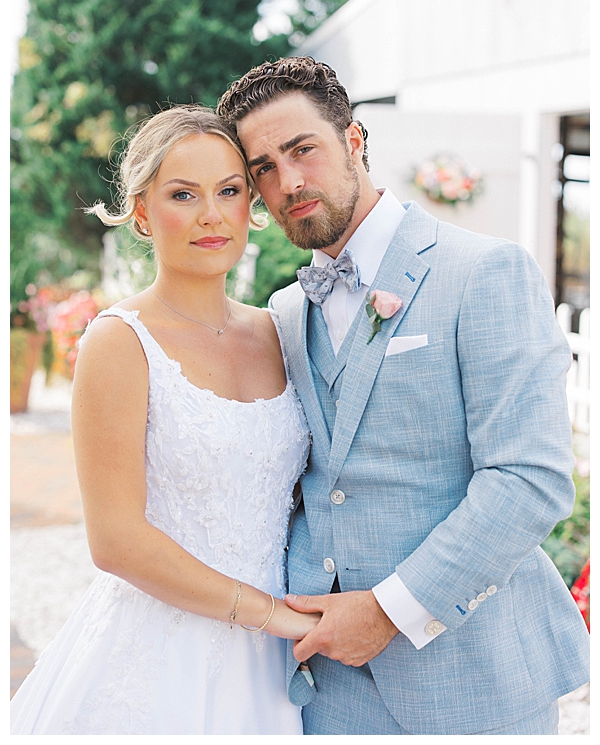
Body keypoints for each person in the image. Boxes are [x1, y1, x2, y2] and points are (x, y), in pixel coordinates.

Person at [216, 57, 590, 736]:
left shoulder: (484, 272)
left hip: (470, 676)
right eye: (263, 167)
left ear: (354, 142)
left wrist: (389, 610)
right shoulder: (284, 312)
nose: (289, 182)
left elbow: (529, 481)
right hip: (320, 685)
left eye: (304, 149)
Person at [10, 105, 320, 735]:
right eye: (184, 194)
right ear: (144, 213)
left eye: (229, 191)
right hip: (160, 656)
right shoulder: (120, 342)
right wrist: (272, 616)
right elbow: (116, 541)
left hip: (276, 664)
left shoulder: (282, 332)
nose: (211, 214)